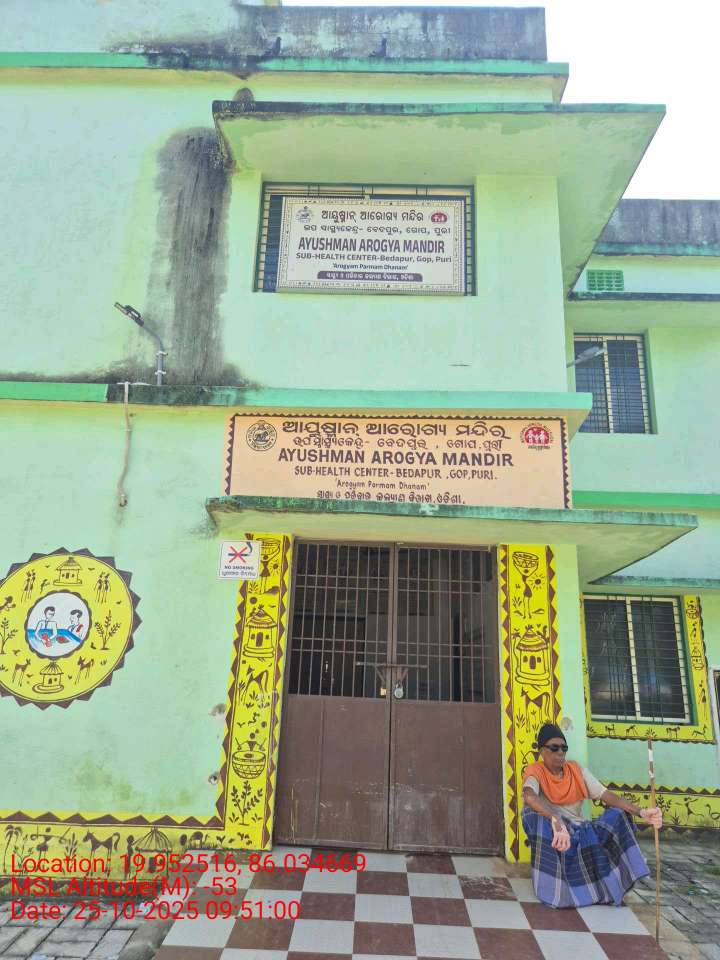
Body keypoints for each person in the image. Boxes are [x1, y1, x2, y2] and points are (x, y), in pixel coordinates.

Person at [521, 722, 662, 908]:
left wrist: (641, 812)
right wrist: (556, 819)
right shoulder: (535, 771)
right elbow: (529, 796)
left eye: (564, 748)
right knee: (530, 815)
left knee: (619, 814)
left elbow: (607, 795)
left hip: (581, 830)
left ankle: (620, 878)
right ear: (542, 751)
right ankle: (555, 889)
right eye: (554, 748)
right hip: (558, 833)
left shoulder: (576, 770)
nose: (560, 752)